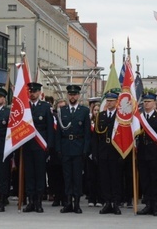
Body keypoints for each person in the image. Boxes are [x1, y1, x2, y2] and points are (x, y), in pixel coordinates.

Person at [56, 84, 90, 214]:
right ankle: (68, 203)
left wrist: (85, 150)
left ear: (79, 96)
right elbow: (58, 132)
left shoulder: (84, 111)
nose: (72, 96)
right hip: (65, 147)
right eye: (70, 94)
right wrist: (58, 149)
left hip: (78, 147)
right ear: (67, 95)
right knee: (67, 177)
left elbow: (87, 133)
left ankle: (77, 203)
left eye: (75, 94)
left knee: (77, 177)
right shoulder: (62, 111)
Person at [22, 81, 54, 212]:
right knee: (29, 174)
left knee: (40, 174)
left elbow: (50, 128)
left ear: (40, 93)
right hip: (27, 145)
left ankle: (39, 202)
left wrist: (49, 147)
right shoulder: (24, 107)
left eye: (35, 91)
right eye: (30, 91)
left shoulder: (45, 107)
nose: (32, 94)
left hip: (41, 146)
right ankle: (30, 201)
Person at [92, 88, 123, 214]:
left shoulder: (121, 116)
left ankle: (115, 203)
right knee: (104, 179)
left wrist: (123, 153)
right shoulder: (101, 116)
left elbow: (124, 136)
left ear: (117, 102)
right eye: (108, 101)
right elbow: (95, 137)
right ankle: (107, 202)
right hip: (103, 151)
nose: (109, 103)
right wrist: (95, 153)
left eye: (112, 101)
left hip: (115, 152)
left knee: (116, 179)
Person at [136, 91, 157, 216]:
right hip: (142, 153)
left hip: (154, 153)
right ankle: (148, 204)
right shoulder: (139, 119)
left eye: (149, 101)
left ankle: (155, 205)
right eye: (145, 101)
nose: (146, 104)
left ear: (154, 103)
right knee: (145, 180)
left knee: (155, 180)